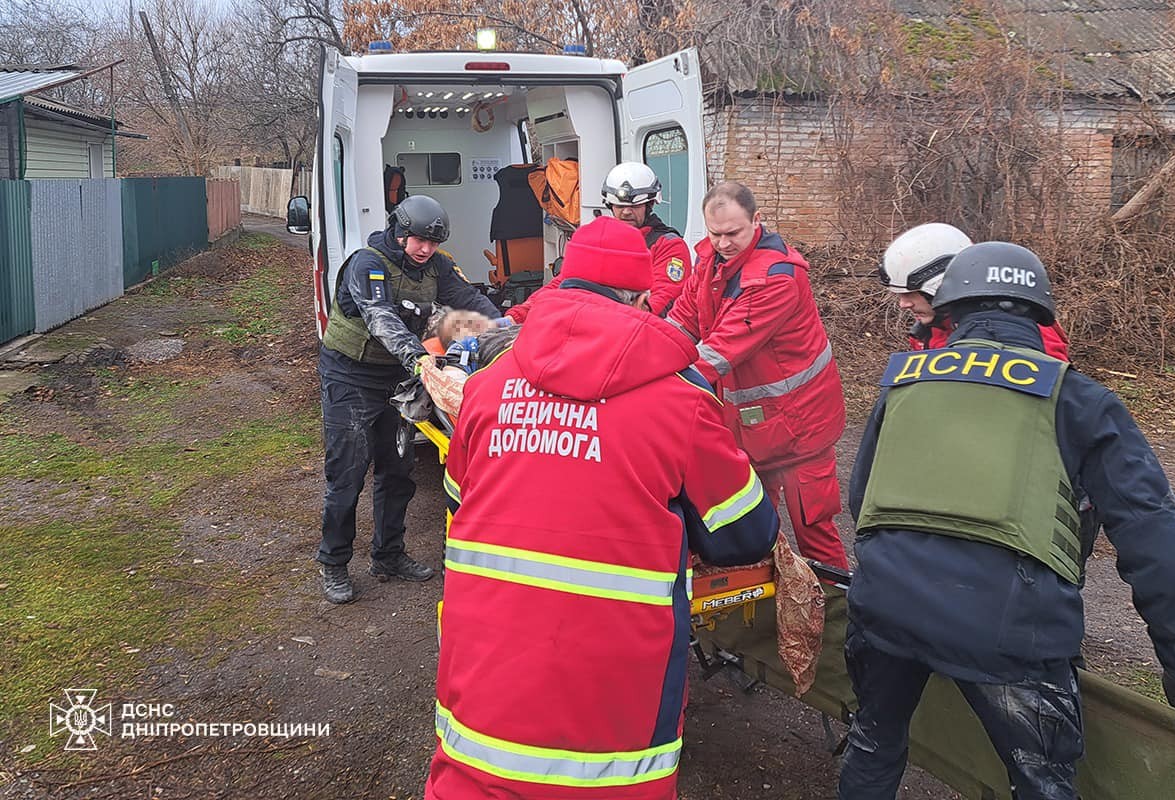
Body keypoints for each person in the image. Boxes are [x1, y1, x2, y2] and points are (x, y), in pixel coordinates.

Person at [426, 216, 779, 800]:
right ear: (640, 296)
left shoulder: (487, 387)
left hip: (480, 714)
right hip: (612, 734)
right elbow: (746, 536)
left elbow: (461, 502)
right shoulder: (681, 400)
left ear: (561, 284)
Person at [840, 241, 1175, 798]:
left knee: (873, 744)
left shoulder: (902, 384)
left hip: (884, 608)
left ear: (948, 309)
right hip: (1009, 631)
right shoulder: (1080, 400)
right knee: (1041, 779)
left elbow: (862, 502)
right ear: (1040, 316)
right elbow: (1162, 548)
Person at [316, 194, 500, 604]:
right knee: (347, 474)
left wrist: (505, 330)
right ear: (399, 232)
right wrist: (419, 359)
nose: (426, 250)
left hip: (397, 377)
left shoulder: (436, 265)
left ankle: (389, 555)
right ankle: (334, 563)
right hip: (351, 376)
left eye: (432, 243)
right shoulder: (367, 263)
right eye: (419, 241)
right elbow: (380, 319)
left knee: (397, 471)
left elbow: (470, 301)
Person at [666, 180, 849, 571]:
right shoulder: (710, 262)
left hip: (801, 427)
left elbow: (719, 351)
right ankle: (767, 615)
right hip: (751, 422)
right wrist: (653, 348)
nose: (723, 243)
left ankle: (836, 616)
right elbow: (683, 319)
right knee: (754, 526)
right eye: (715, 233)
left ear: (757, 221)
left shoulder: (774, 278)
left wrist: (657, 380)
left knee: (813, 530)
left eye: (733, 233)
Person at [505, 161, 692, 321]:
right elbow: (562, 284)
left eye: (634, 206)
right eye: (620, 205)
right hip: (594, 328)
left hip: (638, 334)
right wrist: (518, 315)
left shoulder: (668, 246)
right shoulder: (599, 243)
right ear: (610, 205)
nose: (626, 212)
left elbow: (663, 298)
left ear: (650, 204)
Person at [880, 222, 1070, 360]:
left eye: (911, 294)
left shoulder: (1023, 329)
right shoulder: (929, 330)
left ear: (941, 285)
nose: (903, 304)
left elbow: (1054, 397)